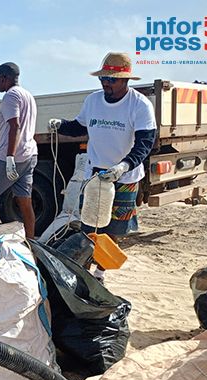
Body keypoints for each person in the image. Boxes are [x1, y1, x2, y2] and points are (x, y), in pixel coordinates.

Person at [50, 51, 156, 282]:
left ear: (126, 80)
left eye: (111, 79)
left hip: (124, 176)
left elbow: (145, 143)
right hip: (95, 175)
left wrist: (124, 166)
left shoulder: (139, 105)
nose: (106, 83)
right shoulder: (93, 100)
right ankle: (84, 270)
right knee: (89, 226)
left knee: (114, 230)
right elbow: (81, 127)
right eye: (103, 79)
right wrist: (62, 126)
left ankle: (100, 273)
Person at [0, 62, 38, 239]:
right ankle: (32, 241)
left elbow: (15, 125)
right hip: (29, 154)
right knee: (25, 201)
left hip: (11, 156)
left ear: (4, 78)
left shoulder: (10, 96)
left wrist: (9, 156)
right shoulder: (28, 95)